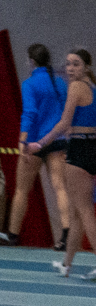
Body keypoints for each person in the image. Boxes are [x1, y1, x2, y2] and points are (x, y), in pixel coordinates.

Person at [6, 42, 70, 248]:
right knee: (60, 188)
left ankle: (13, 234)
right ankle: (66, 234)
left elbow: (30, 113)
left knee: (22, 190)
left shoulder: (29, 84)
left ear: (31, 61)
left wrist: (22, 139)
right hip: (56, 140)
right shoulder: (59, 82)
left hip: (34, 142)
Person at [53, 50, 96, 278]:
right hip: (92, 148)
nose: (70, 68)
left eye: (76, 64)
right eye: (68, 64)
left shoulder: (76, 87)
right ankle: (66, 264)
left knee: (85, 212)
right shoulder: (93, 88)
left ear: (86, 66)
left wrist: (40, 142)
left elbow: (64, 122)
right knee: (77, 213)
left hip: (79, 151)